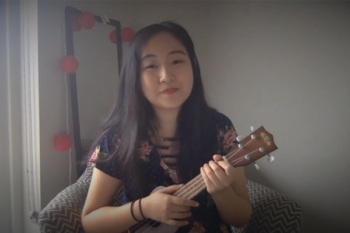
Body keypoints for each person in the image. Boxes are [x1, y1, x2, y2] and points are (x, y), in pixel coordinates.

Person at [81, 21, 252, 233]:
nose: (166, 76)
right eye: (151, 65)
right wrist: (142, 209)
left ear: (193, 65)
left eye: (177, 61)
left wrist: (222, 191)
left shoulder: (220, 127)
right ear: (135, 77)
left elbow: (241, 217)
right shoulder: (118, 137)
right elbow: (90, 221)